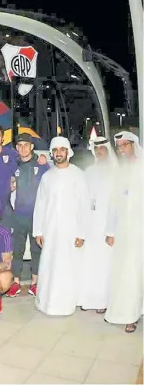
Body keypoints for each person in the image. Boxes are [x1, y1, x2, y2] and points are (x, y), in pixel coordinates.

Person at [33, 136, 90, 316]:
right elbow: (40, 204)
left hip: (71, 230)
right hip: (50, 229)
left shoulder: (78, 175)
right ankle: (47, 303)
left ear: (68, 152)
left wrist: (82, 232)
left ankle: (66, 303)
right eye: (55, 150)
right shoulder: (47, 176)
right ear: (52, 153)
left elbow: (84, 205)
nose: (58, 153)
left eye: (62, 150)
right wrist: (38, 231)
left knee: (68, 266)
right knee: (49, 265)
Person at [105, 131, 143, 333]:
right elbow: (114, 203)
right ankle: (128, 313)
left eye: (124, 146)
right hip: (123, 231)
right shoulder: (120, 171)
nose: (121, 150)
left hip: (140, 231)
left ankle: (134, 313)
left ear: (134, 145)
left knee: (137, 272)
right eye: (118, 147)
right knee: (126, 272)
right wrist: (110, 230)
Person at [7, 133, 50, 297]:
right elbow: (10, 182)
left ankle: (35, 282)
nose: (23, 148)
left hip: (37, 216)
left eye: (26, 145)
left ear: (32, 147)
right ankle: (15, 282)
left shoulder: (42, 165)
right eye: (19, 145)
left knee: (36, 250)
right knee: (17, 249)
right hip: (19, 215)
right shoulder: (14, 165)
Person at [78, 137, 117, 314]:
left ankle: (103, 301)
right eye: (97, 149)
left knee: (105, 265)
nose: (100, 152)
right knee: (89, 262)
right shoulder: (89, 172)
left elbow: (116, 205)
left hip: (106, 227)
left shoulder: (116, 172)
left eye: (103, 149)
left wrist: (111, 231)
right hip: (90, 225)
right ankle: (88, 299)